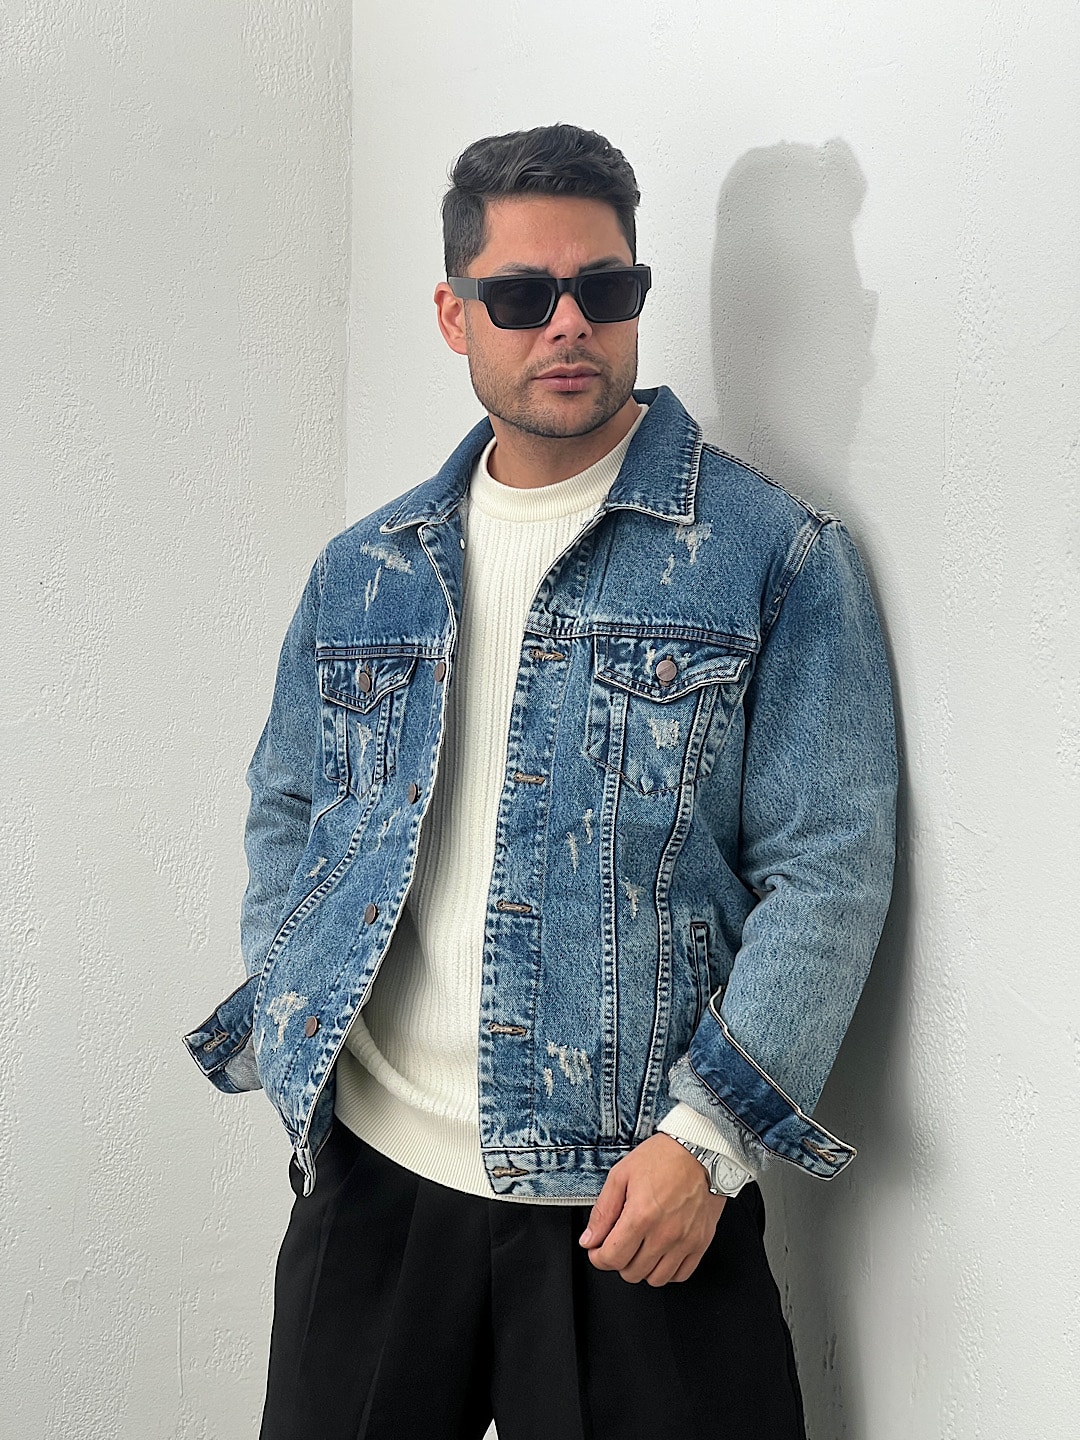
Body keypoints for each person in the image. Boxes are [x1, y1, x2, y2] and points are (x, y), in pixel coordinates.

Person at [184, 123, 897, 1440]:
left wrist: (709, 1143)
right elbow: (291, 811)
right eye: (521, 295)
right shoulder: (367, 568)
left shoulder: (775, 557)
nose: (569, 323)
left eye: (604, 288)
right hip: (377, 1190)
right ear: (454, 314)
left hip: (639, 1202)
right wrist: (294, 1025)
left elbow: (828, 875)